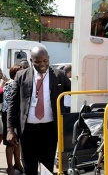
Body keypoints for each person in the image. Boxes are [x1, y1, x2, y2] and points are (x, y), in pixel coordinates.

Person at [6, 46, 71, 175]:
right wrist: (10, 129)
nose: (42, 65)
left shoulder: (60, 75)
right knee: (29, 167)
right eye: (38, 62)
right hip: (27, 130)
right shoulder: (21, 75)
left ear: (49, 59)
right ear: (31, 60)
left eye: (45, 61)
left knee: (47, 167)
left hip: (50, 129)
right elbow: (13, 103)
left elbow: (75, 92)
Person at [2, 65, 24, 175]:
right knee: (10, 142)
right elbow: (10, 104)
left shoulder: (21, 83)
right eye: (20, 72)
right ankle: (10, 167)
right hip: (8, 116)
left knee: (17, 142)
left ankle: (18, 164)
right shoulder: (10, 84)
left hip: (19, 115)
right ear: (15, 74)